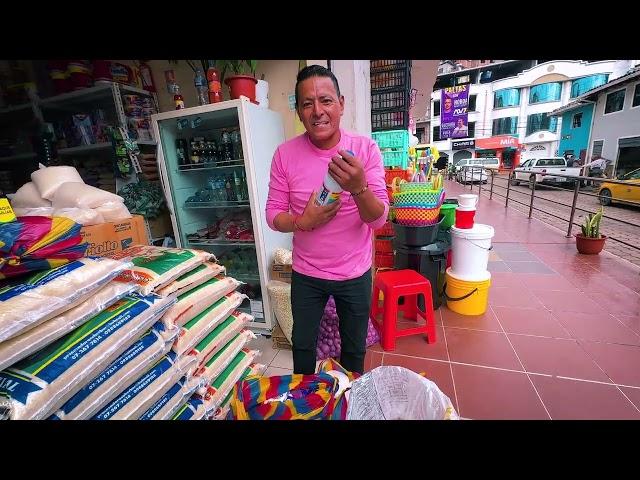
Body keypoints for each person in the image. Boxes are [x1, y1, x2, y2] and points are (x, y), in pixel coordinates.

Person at [265, 65, 389, 375]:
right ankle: (307, 398)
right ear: (299, 111)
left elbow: (378, 220)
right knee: (303, 347)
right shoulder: (284, 155)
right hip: (307, 273)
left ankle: (349, 397)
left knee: (354, 350)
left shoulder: (364, 150)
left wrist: (359, 187)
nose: (317, 111)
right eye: (307, 103)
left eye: (326, 100)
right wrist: (302, 221)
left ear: (341, 104)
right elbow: (273, 215)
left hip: (355, 272)